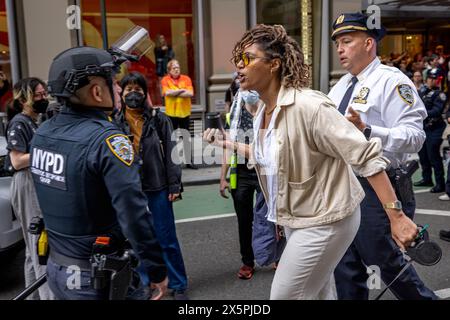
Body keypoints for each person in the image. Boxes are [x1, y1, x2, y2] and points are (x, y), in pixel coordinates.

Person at [204, 24, 418, 300]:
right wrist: (225, 143)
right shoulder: (262, 112)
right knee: (319, 294)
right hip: (298, 217)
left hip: (326, 221)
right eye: (237, 60)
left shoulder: (310, 106)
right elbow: (265, 154)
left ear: (274, 65)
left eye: (246, 59)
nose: (238, 67)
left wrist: (397, 217)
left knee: (283, 296)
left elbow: (365, 156)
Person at [29, 46, 168, 300]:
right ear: (96, 91)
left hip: (58, 270)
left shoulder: (43, 133)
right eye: (113, 82)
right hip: (99, 280)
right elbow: (134, 214)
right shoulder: (108, 140)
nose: (118, 89)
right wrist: (157, 270)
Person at [328, 12, 437, 300]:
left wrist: (369, 130)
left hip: (379, 187)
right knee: (344, 265)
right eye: (337, 42)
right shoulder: (339, 86)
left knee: (385, 263)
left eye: (347, 41)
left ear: (368, 43)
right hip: (343, 187)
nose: (339, 48)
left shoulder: (392, 81)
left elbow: (415, 138)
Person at [114, 72, 188, 300]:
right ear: (122, 93)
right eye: (129, 90)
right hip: (130, 191)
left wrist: (174, 186)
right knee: (137, 241)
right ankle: (146, 283)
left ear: (145, 93)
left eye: (138, 89)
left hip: (158, 189)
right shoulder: (114, 123)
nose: (133, 94)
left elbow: (172, 155)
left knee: (166, 239)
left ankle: (178, 284)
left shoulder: (158, 119)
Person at [6, 77, 54, 300]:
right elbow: (16, 161)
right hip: (26, 181)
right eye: (38, 95)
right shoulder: (20, 122)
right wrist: (46, 153)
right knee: (40, 246)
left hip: (34, 180)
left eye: (44, 94)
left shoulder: (36, 120)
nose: (43, 98)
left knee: (31, 248)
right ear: (24, 99)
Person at [220, 90, 260, 279]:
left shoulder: (269, 108)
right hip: (241, 173)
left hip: (265, 171)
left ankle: (276, 256)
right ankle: (247, 262)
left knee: (272, 218)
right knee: (244, 221)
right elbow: (227, 147)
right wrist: (223, 177)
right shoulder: (234, 113)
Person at [414, 68, 447, 193]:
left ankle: (440, 183)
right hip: (423, 128)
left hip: (435, 128)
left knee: (434, 156)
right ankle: (426, 178)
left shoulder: (440, 94)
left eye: (433, 78)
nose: (430, 80)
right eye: (429, 78)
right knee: (423, 156)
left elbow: (437, 111)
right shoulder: (423, 91)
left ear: (438, 80)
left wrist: (421, 113)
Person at [161, 59, 196, 169]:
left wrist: (174, 92)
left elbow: (190, 93)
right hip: (171, 114)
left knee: (186, 138)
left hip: (184, 113)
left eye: (178, 67)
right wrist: (181, 91)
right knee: (171, 139)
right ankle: (172, 162)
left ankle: (189, 162)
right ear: (169, 70)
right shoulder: (165, 80)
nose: (177, 69)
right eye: (174, 68)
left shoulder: (186, 79)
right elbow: (166, 92)